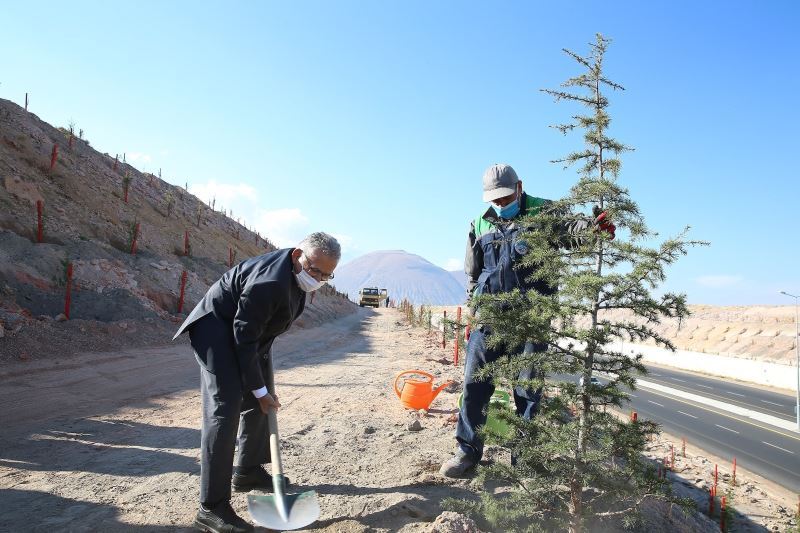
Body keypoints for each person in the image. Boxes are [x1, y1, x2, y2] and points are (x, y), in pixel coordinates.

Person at [439, 164, 614, 478]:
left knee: (528, 392)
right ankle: (466, 453)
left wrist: (593, 228)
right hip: (489, 319)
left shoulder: (542, 212)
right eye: (495, 200)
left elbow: (572, 231)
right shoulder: (479, 223)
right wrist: (474, 312)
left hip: (532, 319)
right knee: (474, 386)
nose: (501, 205)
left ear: (519, 187)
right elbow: (473, 274)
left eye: (506, 197)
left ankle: (525, 462)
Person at [174, 232, 340, 533]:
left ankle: (248, 471)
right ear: (296, 255)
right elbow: (243, 336)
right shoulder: (269, 283)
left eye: (326, 275)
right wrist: (259, 389)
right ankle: (211, 508)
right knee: (224, 412)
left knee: (262, 399)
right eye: (315, 270)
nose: (317, 279)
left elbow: (257, 332)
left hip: (248, 335)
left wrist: (262, 390)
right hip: (216, 332)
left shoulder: (296, 275)